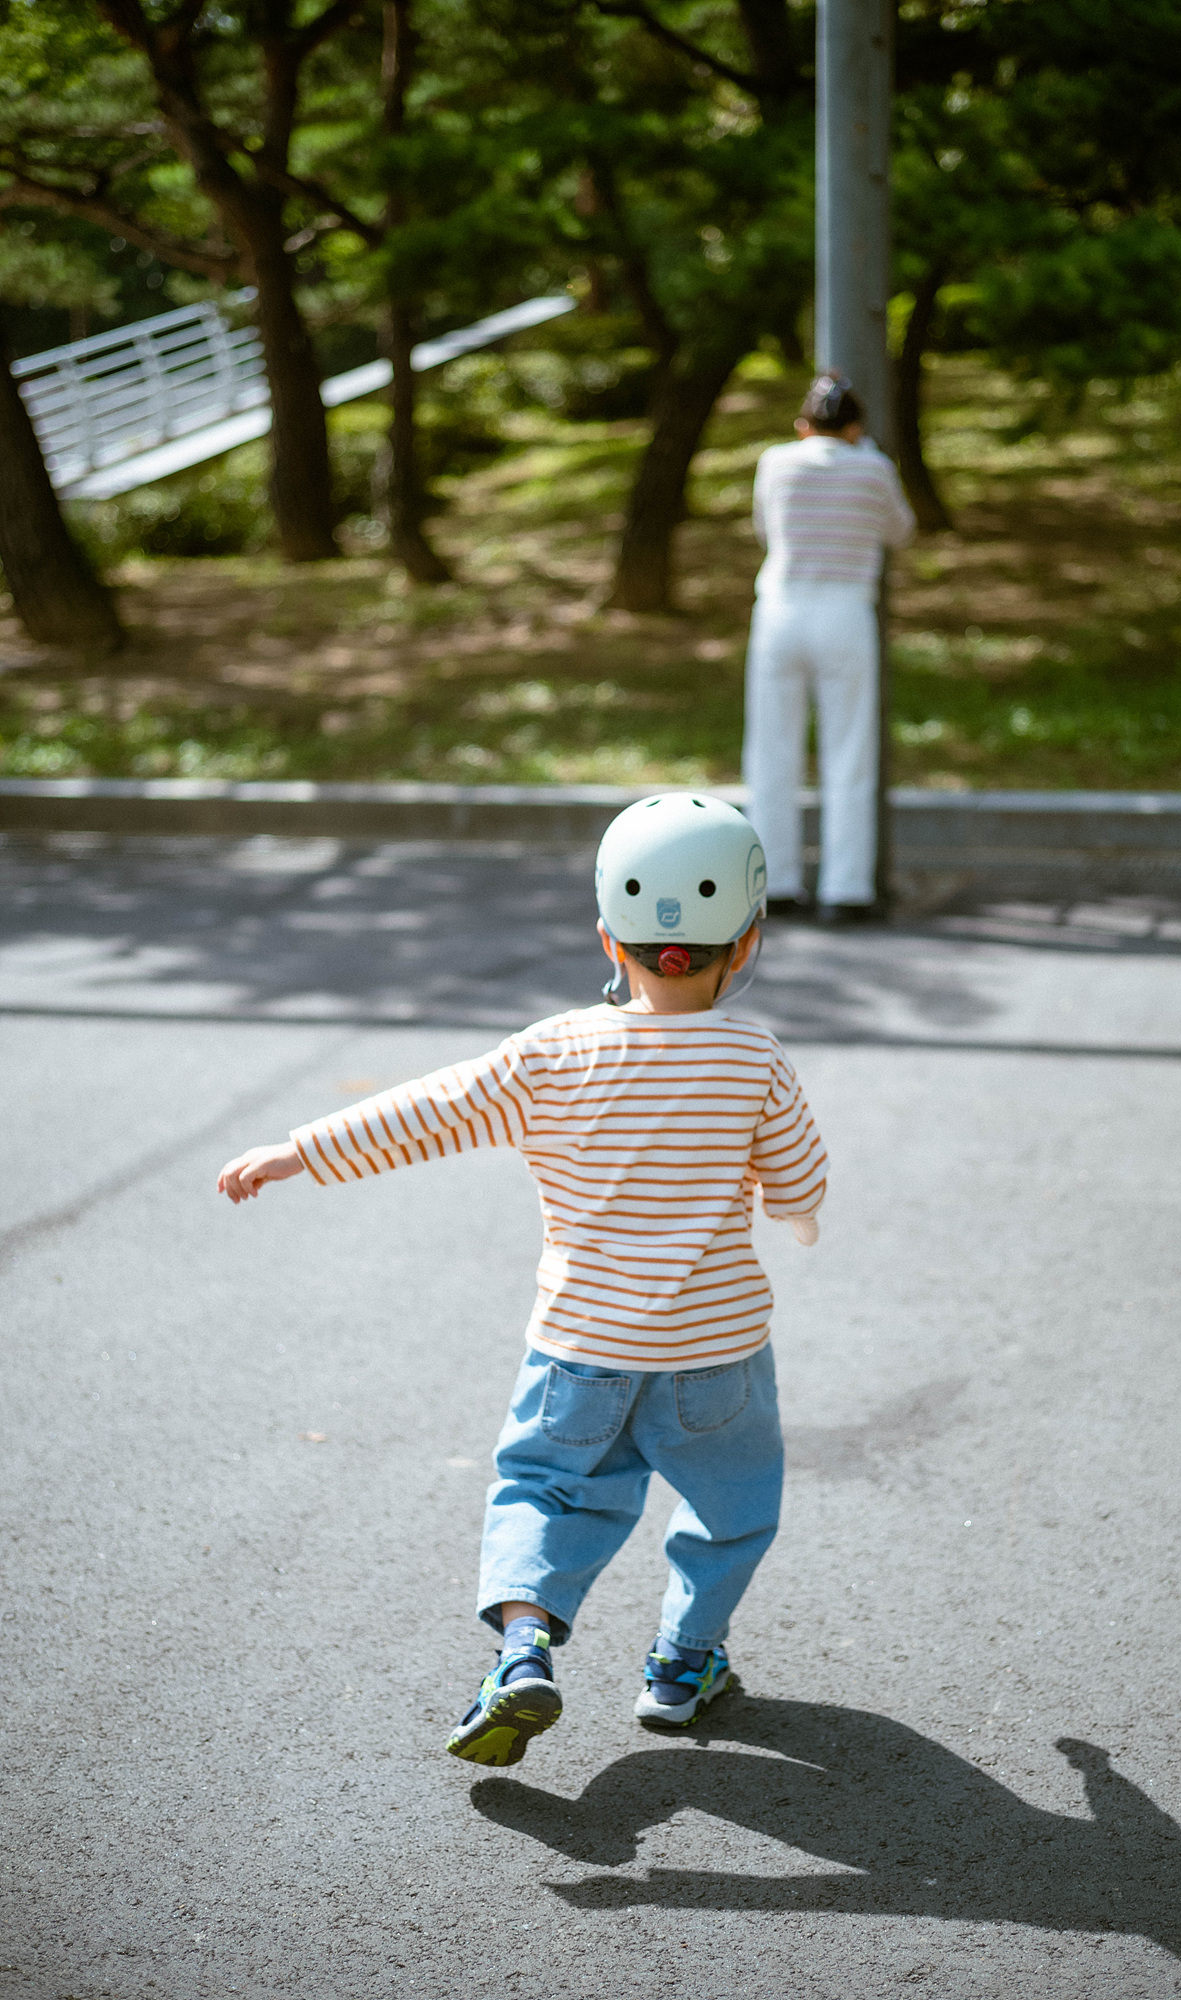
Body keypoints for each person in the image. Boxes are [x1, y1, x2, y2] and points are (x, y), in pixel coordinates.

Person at [216, 793, 827, 1768]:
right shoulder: (754, 1058)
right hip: (715, 1353)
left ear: (607, 936)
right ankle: (682, 1664)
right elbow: (797, 1183)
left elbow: (429, 1110)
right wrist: (789, 1209)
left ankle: (524, 1649)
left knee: (545, 1492)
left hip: (580, 1347)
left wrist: (300, 1150)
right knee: (731, 1506)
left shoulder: (553, 1053)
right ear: (747, 941)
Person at [743, 372, 916, 925]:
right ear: (855, 428)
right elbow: (902, 530)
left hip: (781, 609)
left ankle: (775, 882)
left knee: (771, 750)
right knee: (849, 750)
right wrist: (866, 455)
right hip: (845, 612)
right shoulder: (873, 468)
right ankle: (847, 888)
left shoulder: (775, 462)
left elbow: (765, 529)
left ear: (803, 426)